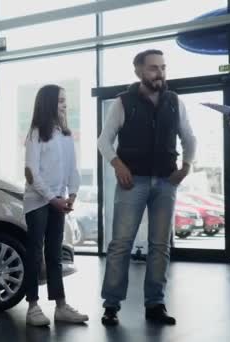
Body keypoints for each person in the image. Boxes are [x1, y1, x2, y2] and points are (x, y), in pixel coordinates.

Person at [97, 49, 196, 326]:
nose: (160, 73)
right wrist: (118, 164)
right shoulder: (123, 102)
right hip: (133, 182)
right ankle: (112, 305)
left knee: (160, 245)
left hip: (166, 182)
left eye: (163, 67)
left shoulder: (175, 102)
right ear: (138, 71)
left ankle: (155, 304)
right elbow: (103, 141)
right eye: (153, 68)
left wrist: (186, 166)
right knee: (120, 244)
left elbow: (189, 137)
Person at [23, 85, 89, 327]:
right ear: (48, 102)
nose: (64, 104)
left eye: (65, 100)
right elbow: (31, 173)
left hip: (59, 201)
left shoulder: (66, 135)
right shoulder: (35, 133)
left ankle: (61, 307)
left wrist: (71, 194)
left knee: (54, 255)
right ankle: (32, 306)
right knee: (34, 253)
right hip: (38, 201)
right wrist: (53, 199)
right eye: (61, 100)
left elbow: (72, 168)